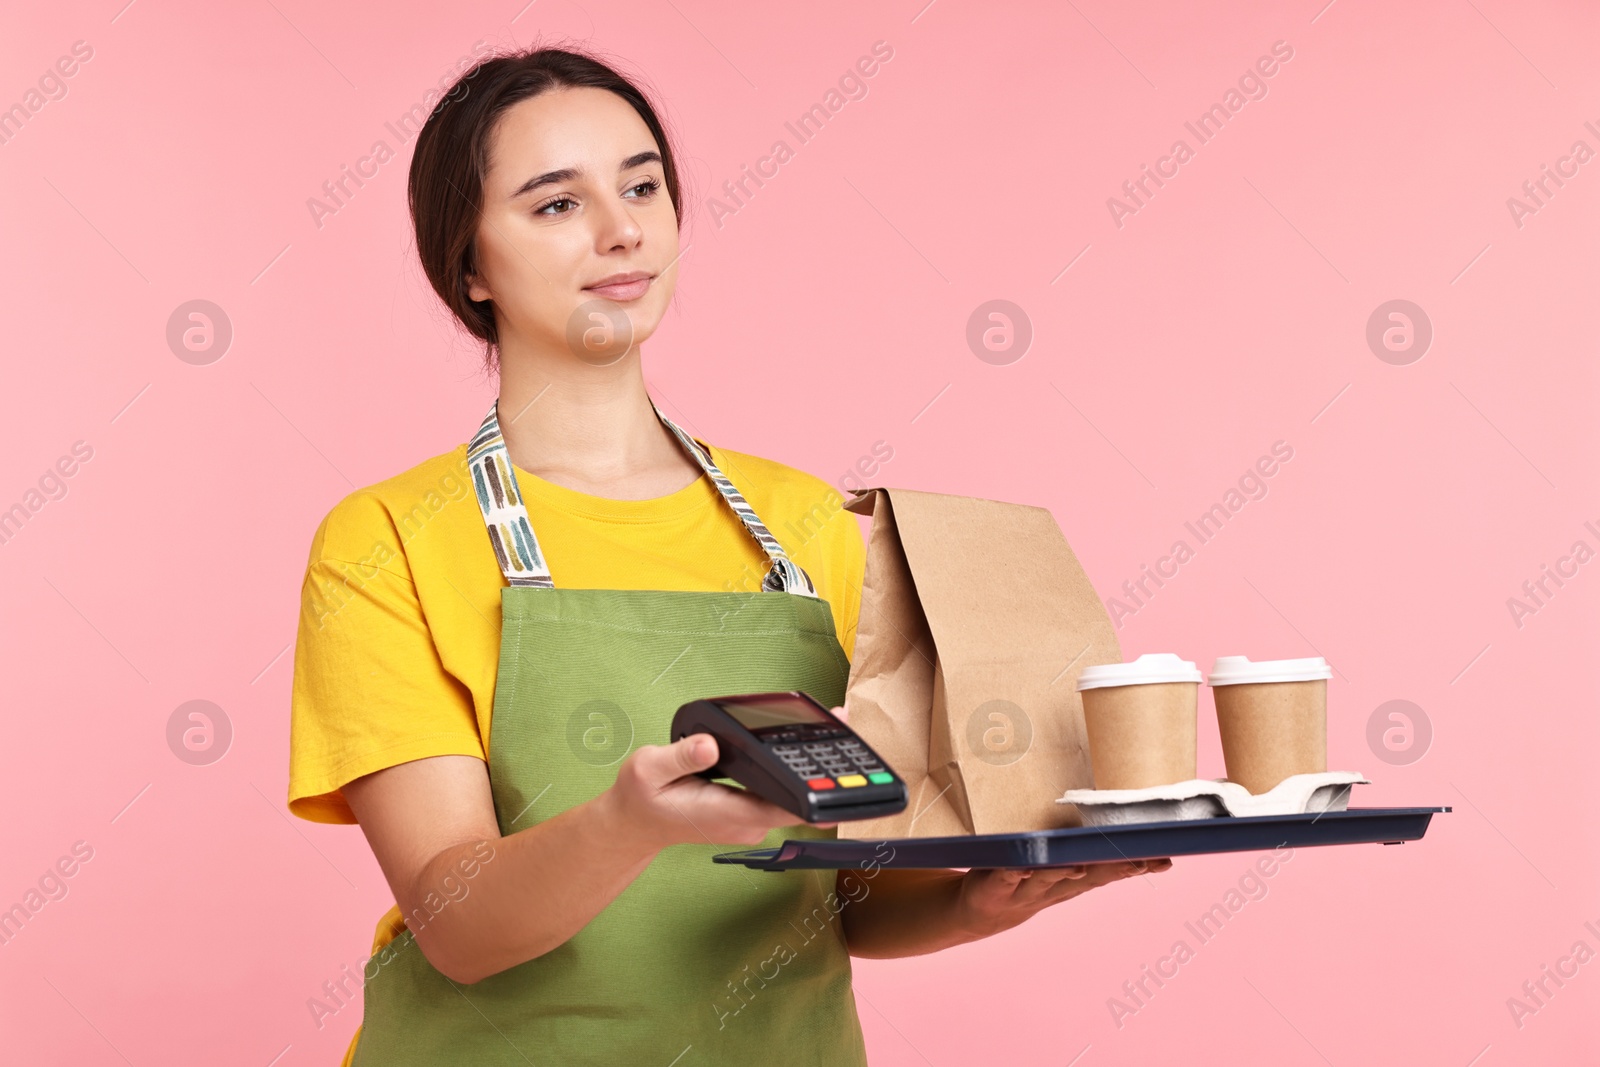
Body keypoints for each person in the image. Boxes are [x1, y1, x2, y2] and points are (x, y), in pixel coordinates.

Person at [286, 44, 1170, 1066]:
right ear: (470, 261)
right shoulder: (388, 537)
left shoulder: (803, 525)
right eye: (556, 204)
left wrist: (977, 900)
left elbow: (836, 896)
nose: (623, 229)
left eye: (642, 185)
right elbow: (457, 923)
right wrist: (624, 822)